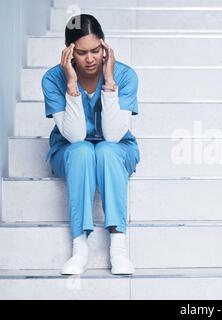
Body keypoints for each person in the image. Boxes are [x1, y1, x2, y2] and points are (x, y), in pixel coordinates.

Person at [41, 14, 140, 275]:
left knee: (105, 151)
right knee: (83, 150)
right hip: (70, 150)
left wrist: (109, 83)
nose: (90, 59)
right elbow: (74, 136)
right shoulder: (53, 79)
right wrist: (71, 84)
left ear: (104, 46)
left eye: (96, 50)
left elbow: (113, 135)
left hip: (117, 147)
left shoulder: (125, 76)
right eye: (82, 52)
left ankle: (118, 246)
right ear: (69, 52)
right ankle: (79, 246)